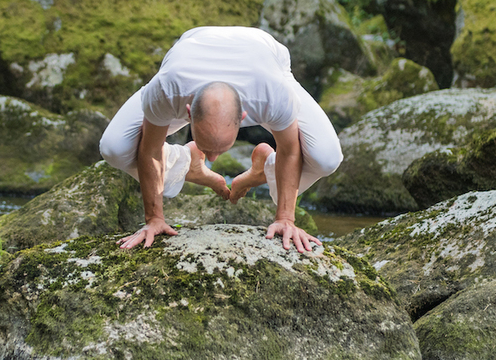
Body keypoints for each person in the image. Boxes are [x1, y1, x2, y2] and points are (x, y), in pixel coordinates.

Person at [99, 26, 343, 253]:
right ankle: (187, 162)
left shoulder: (272, 94)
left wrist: (285, 219)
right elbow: (150, 150)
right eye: (207, 149)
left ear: (245, 118)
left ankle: (265, 168)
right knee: (114, 148)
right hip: (193, 45)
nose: (215, 158)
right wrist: (154, 219)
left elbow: (290, 150)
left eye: (222, 148)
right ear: (187, 114)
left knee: (326, 158)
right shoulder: (167, 90)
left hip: (264, 53)